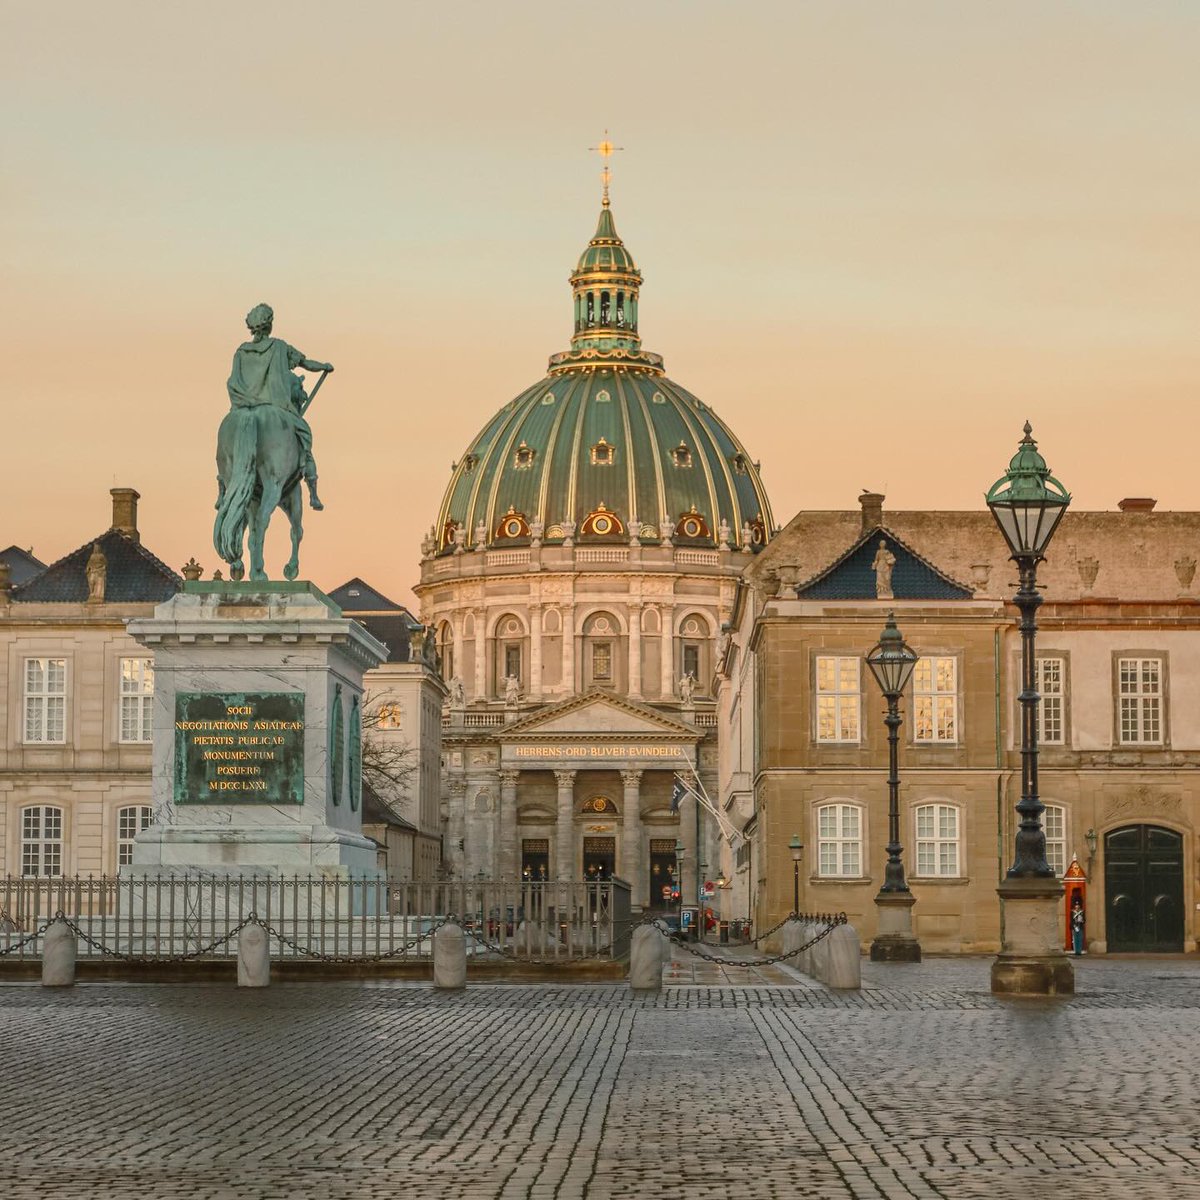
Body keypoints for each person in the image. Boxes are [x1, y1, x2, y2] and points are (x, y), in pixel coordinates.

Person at [227, 303, 332, 508]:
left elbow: (233, 381)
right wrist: (324, 367)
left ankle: (223, 488)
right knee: (305, 437)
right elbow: (305, 363)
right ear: (269, 325)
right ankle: (313, 493)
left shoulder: (241, 352)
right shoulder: (279, 347)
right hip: (276, 407)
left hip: (243, 407)